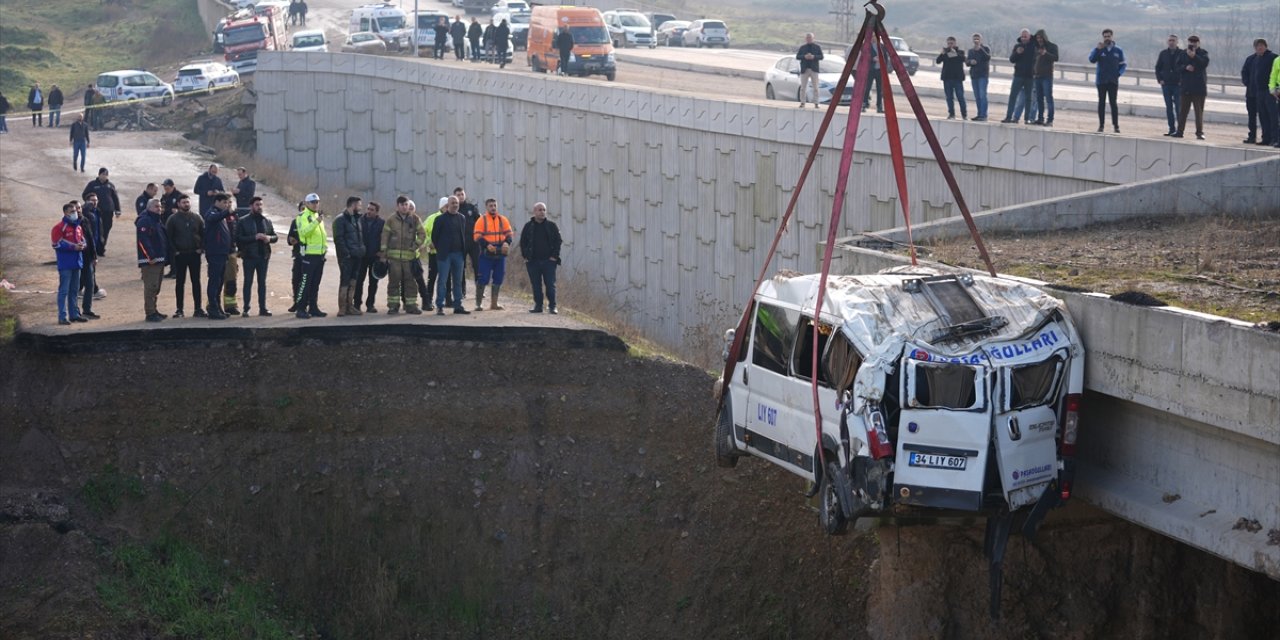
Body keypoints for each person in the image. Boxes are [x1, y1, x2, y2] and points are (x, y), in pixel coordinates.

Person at [379, 195, 425, 314]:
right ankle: (393, 306)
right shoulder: (391, 219)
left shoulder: (415, 219)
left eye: (406, 205)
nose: (405, 207)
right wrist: (383, 253)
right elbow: (384, 236)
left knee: (410, 283)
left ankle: (411, 306)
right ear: (397, 206)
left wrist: (415, 246)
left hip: (409, 259)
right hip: (394, 259)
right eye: (402, 205)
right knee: (394, 282)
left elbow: (422, 234)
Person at [234, 196, 278, 317]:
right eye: (257, 205)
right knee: (248, 282)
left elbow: (275, 237)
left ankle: (262, 308)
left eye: (261, 205)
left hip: (263, 256)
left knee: (262, 283)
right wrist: (254, 237)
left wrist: (269, 238)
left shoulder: (266, 221)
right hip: (249, 256)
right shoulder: (243, 221)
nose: (259, 207)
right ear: (251, 206)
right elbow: (238, 238)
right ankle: (246, 308)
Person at [166, 194, 205, 318]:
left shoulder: (197, 217)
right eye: (183, 202)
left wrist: (201, 248)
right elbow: (168, 237)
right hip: (180, 255)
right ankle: (179, 309)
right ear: (178, 204)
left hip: (194, 254)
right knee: (180, 282)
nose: (186, 204)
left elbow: (204, 233)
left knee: (196, 282)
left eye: (187, 202)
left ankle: (198, 309)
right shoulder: (173, 219)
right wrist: (175, 251)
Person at [520, 202, 562, 314]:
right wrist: (525, 257)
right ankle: (538, 306)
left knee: (550, 284)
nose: (542, 212)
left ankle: (552, 306)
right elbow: (522, 242)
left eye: (544, 210)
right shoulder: (528, 226)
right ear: (534, 212)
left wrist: (554, 256)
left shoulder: (551, 226)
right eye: (539, 210)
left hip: (549, 261)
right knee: (536, 285)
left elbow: (558, 241)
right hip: (533, 261)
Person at [433, 196, 471, 314]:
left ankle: (458, 306)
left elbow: (463, 234)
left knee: (458, 281)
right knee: (443, 280)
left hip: (458, 254)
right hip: (445, 255)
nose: (455, 205)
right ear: (448, 205)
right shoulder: (440, 219)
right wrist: (441, 249)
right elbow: (435, 237)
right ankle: (440, 305)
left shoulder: (462, 218)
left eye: (456, 203)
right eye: (453, 203)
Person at [472, 198, 512, 311]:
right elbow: (477, 236)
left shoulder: (503, 220)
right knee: (483, 278)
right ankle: (478, 304)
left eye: (495, 205)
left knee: (499, 277)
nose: (493, 208)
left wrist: (506, 243)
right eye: (491, 206)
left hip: (500, 253)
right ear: (486, 207)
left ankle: (494, 304)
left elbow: (509, 234)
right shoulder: (481, 220)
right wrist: (486, 245)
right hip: (486, 254)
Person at [293, 193, 328, 319]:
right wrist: (316, 222)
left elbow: (321, 235)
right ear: (307, 203)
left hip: (319, 255)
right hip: (309, 256)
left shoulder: (317, 216)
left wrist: (325, 249)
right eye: (313, 202)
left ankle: (313, 307)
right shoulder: (303, 216)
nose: (316, 204)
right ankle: (300, 308)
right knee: (305, 283)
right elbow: (304, 233)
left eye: (317, 202)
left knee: (315, 283)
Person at [52, 202, 87, 325]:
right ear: (65, 213)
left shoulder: (78, 227)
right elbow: (56, 244)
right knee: (64, 291)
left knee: (74, 291)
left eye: (76, 211)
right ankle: (62, 317)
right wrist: (74, 248)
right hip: (65, 264)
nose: (75, 213)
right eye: (72, 211)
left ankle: (74, 314)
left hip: (77, 263)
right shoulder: (59, 227)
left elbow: (83, 240)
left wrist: (83, 246)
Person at [203, 193, 236, 320]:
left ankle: (218, 307)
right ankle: (212, 308)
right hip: (215, 253)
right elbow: (211, 218)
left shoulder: (221, 215)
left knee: (220, 282)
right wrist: (228, 211)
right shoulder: (212, 213)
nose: (227, 205)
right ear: (217, 202)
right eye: (224, 203)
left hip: (223, 253)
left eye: (228, 203)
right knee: (214, 281)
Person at [332, 196, 366, 316]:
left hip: (357, 256)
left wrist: (362, 250)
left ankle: (350, 306)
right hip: (347, 257)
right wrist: (346, 254)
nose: (361, 207)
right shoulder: (340, 220)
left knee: (353, 281)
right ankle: (342, 307)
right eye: (359, 205)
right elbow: (339, 239)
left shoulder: (357, 219)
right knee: (345, 281)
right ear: (353, 205)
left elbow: (359, 237)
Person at [136, 198, 169, 322]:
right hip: (150, 261)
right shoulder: (145, 221)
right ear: (149, 208)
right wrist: (150, 256)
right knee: (151, 286)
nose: (159, 209)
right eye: (156, 207)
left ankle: (154, 310)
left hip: (159, 260)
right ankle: (150, 313)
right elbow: (143, 240)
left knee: (156, 287)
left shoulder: (157, 221)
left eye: (160, 207)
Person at [1089, 28, 1126, 133]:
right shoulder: (1099, 49)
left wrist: (1119, 73)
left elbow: (1123, 64)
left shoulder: (1118, 50)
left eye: (1108, 36)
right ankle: (1101, 125)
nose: (1107, 38)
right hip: (1101, 80)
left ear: (1112, 37)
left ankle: (1116, 125)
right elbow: (1092, 60)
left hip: (1113, 81)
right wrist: (1097, 50)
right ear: (1103, 37)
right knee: (1101, 103)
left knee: (1113, 103)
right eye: (1105, 36)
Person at [1173, 35, 1210, 140]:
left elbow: (1204, 63)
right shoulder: (1183, 53)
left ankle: (1199, 132)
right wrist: (1185, 67)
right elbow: (1177, 67)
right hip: (1186, 87)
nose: (1192, 44)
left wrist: (1194, 56)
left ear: (1198, 43)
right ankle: (1179, 131)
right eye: (1191, 42)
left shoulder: (1203, 53)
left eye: (1195, 42)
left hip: (1199, 88)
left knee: (1198, 112)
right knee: (1183, 111)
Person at [1244, 39, 1278, 146]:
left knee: (1272, 116)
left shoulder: (1273, 57)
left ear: (1266, 46)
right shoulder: (1255, 59)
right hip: (1259, 92)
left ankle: (1275, 138)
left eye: (1262, 46)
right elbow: (1246, 73)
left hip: (1270, 92)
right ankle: (1266, 138)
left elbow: (1275, 74)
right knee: (1262, 116)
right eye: (1257, 46)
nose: (1260, 48)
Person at [355, 200, 385, 313]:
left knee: (373, 283)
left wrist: (382, 253)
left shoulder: (381, 223)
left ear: (377, 212)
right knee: (359, 281)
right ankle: (357, 304)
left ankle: (370, 305)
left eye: (372, 210)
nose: (368, 211)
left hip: (375, 257)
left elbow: (384, 239)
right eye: (368, 208)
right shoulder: (359, 220)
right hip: (362, 256)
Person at [81, 168, 121, 251]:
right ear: (99, 174)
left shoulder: (110, 185)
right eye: (103, 174)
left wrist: (118, 210)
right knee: (97, 229)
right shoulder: (92, 184)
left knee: (106, 228)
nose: (104, 176)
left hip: (108, 211)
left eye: (106, 175)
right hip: (96, 211)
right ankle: (95, 247)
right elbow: (85, 194)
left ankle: (102, 246)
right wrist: (89, 204)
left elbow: (115, 198)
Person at [1001, 29, 1035, 124]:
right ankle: (1008, 117)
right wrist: (1017, 53)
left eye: (1025, 36)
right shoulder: (1017, 46)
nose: (1024, 38)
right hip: (1018, 75)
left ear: (1029, 37)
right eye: (1022, 36)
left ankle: (1027, 118)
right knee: (1013, 96)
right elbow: (1011, 59)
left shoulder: (1034, 46)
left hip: (1030, 76)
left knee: (1029, 98)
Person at [77, 200, 101, 320]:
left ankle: (87, 309)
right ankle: (74, 311)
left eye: (79, 208)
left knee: (90, 285)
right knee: (74, 287)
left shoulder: (84, 220)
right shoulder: (69, 224)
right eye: (75, 209)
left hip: (87, 259)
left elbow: (90, 239)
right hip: (75, 259)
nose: (78, 210)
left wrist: (94, 256)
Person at [455, 186, 480, 299]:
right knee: (461, 267)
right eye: (458, 194)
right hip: (461, 243)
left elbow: (479, 222)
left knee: (478, 266)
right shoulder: (454, 209)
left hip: (474, 242)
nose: (460, 196)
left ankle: (480, 290)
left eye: (462, 194)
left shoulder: (471, 207)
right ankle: (462, 291)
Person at [1156, 35, 1183, 137]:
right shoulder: (1163, 54)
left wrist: (1182, 81)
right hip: (1166, 84)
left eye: (1173, 40)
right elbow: (1158, 67)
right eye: (1170, 40)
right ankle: (1171, 129)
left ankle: (1180, 130)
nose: (1171, 42)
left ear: (1177, 42)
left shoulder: (1181, 53)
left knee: (1178, 108)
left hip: (1177, 85)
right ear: (1168, 42)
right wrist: (1160, 80)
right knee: (1169, 108)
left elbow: (1184, 67)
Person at [82, 194, 107, 301]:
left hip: (95, 244)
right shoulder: (88, 215)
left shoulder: (97, 212)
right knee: (90, 269)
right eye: (92, 201)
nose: (95, 202)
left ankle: (88, 289)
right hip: (88, 247)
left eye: (96, 200)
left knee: (89, 269)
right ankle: (93, 290)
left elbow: (99, 228)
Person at [1030, 30, 1058, 126]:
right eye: (1037, 38)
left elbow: (1056, 58)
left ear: (1044, 37)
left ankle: (1050, 120)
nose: (1039, 40)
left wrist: (1046, 53)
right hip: (1037, 76)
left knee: (1048, 98)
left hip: (1047, 76)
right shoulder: (1036, 48)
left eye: (1041, 38)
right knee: (1039, 99)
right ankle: (1040, 118)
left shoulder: (1052, 46)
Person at [937, 36, 968, 120]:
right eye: (948, 43)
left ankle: (964, 114)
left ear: (955, 43)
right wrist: (942, 53)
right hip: (947, 78)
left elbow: (963, 59)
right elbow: (938, 61)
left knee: (960, 97)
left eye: (951, 43)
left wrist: (955, 53)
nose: (950, 45)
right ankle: (951, 114)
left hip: (957, 78)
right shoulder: (945, 52)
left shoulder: (960, 52)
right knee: (949, 97)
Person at [966, 34, 991, 121]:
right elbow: (967, 62)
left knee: (982, 95)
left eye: (978, 39)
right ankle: (979, 113)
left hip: (983, 75)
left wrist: (980, 49)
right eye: (975, 39)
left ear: (981, 40)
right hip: (974, 75)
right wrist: (970, 62)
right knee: (977, 96)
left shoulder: (985, 48)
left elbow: (987, 57)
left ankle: (984, 115)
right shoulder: (971, 51)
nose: (976, 40)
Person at [796, 33, 823, 109]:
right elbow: (797, 56)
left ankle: (816, 103)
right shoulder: (802, 47)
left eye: (810, 38)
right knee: (803, 87)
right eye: (807, 38)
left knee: (816, 87)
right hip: (805, 69)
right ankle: (802, 102)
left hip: (814, 69)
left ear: (813, 38)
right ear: (805, 39)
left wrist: (813, 57)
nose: (809, 39)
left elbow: (821, 56)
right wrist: (804, 56)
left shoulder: (817, 47)